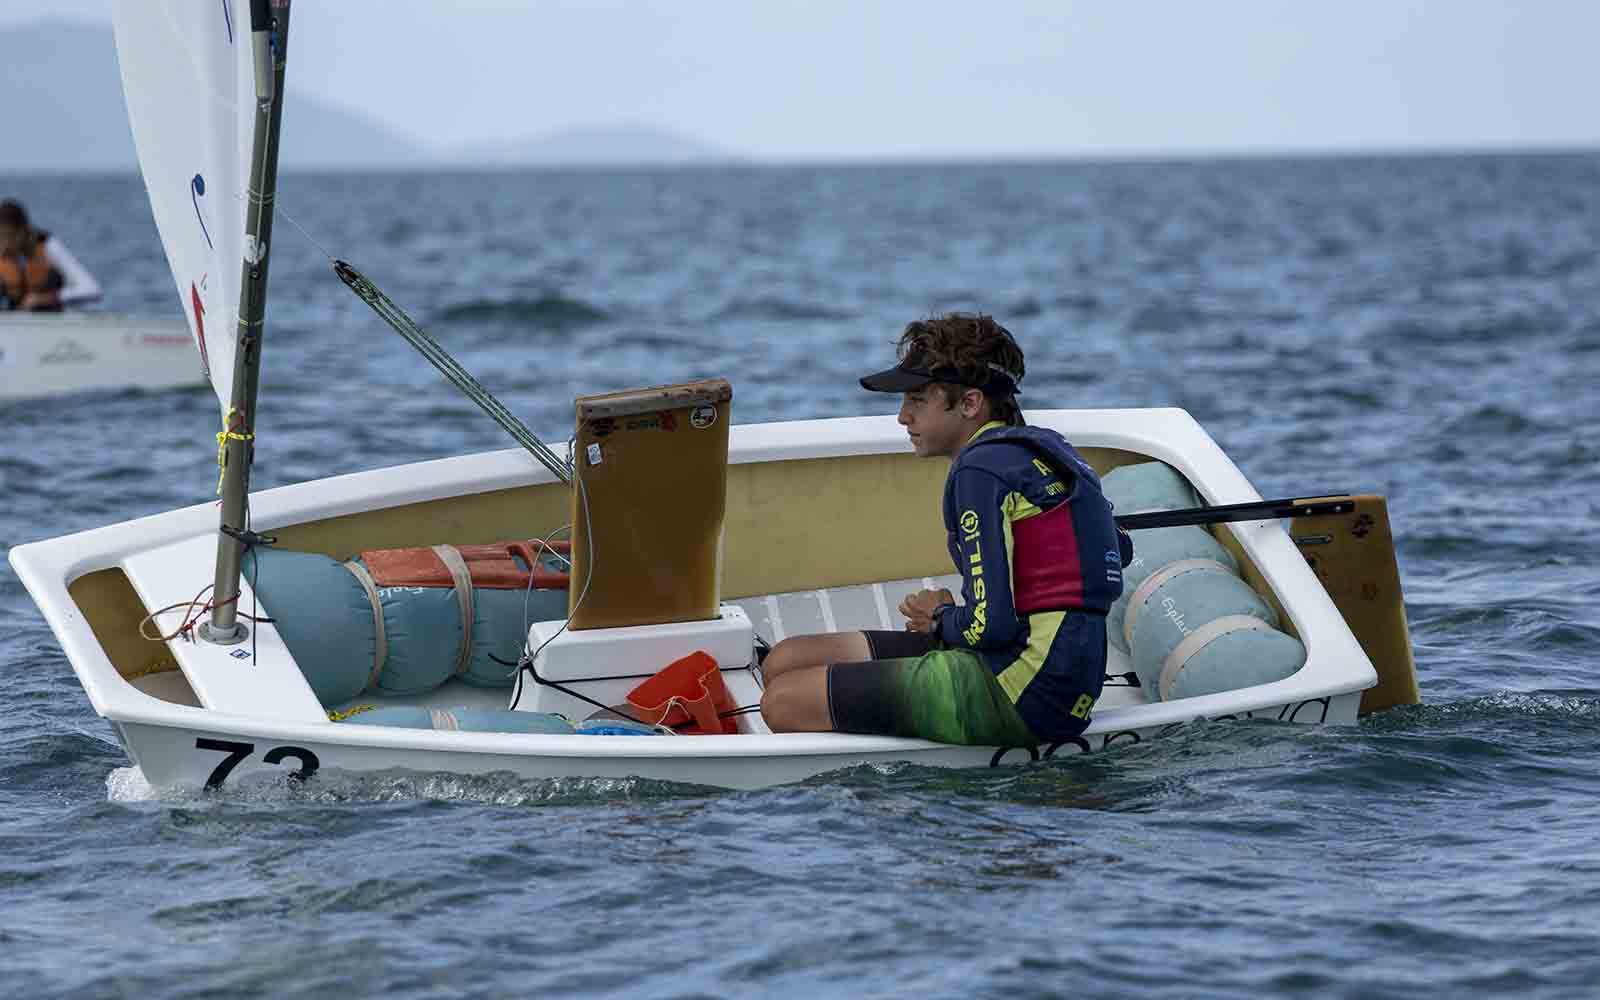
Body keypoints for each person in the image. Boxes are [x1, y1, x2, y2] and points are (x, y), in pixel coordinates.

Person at [759, 313, 1133, 748]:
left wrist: (939, 618)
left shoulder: (979, 469)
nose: (902, 417)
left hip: (1019, 692)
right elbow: (1118, 549)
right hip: (1065, 682)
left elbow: (989, 627)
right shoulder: (1049, 451)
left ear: (970, 404)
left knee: (782, 700)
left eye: (917, 400)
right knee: (785, 659)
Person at [0, 199, 102, 312]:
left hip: (50, 320)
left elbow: (92, 290)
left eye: (8, 236)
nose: (4, 245)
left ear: (23, 231)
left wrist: (43, 299)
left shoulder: (49, 246)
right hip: (13, 323)